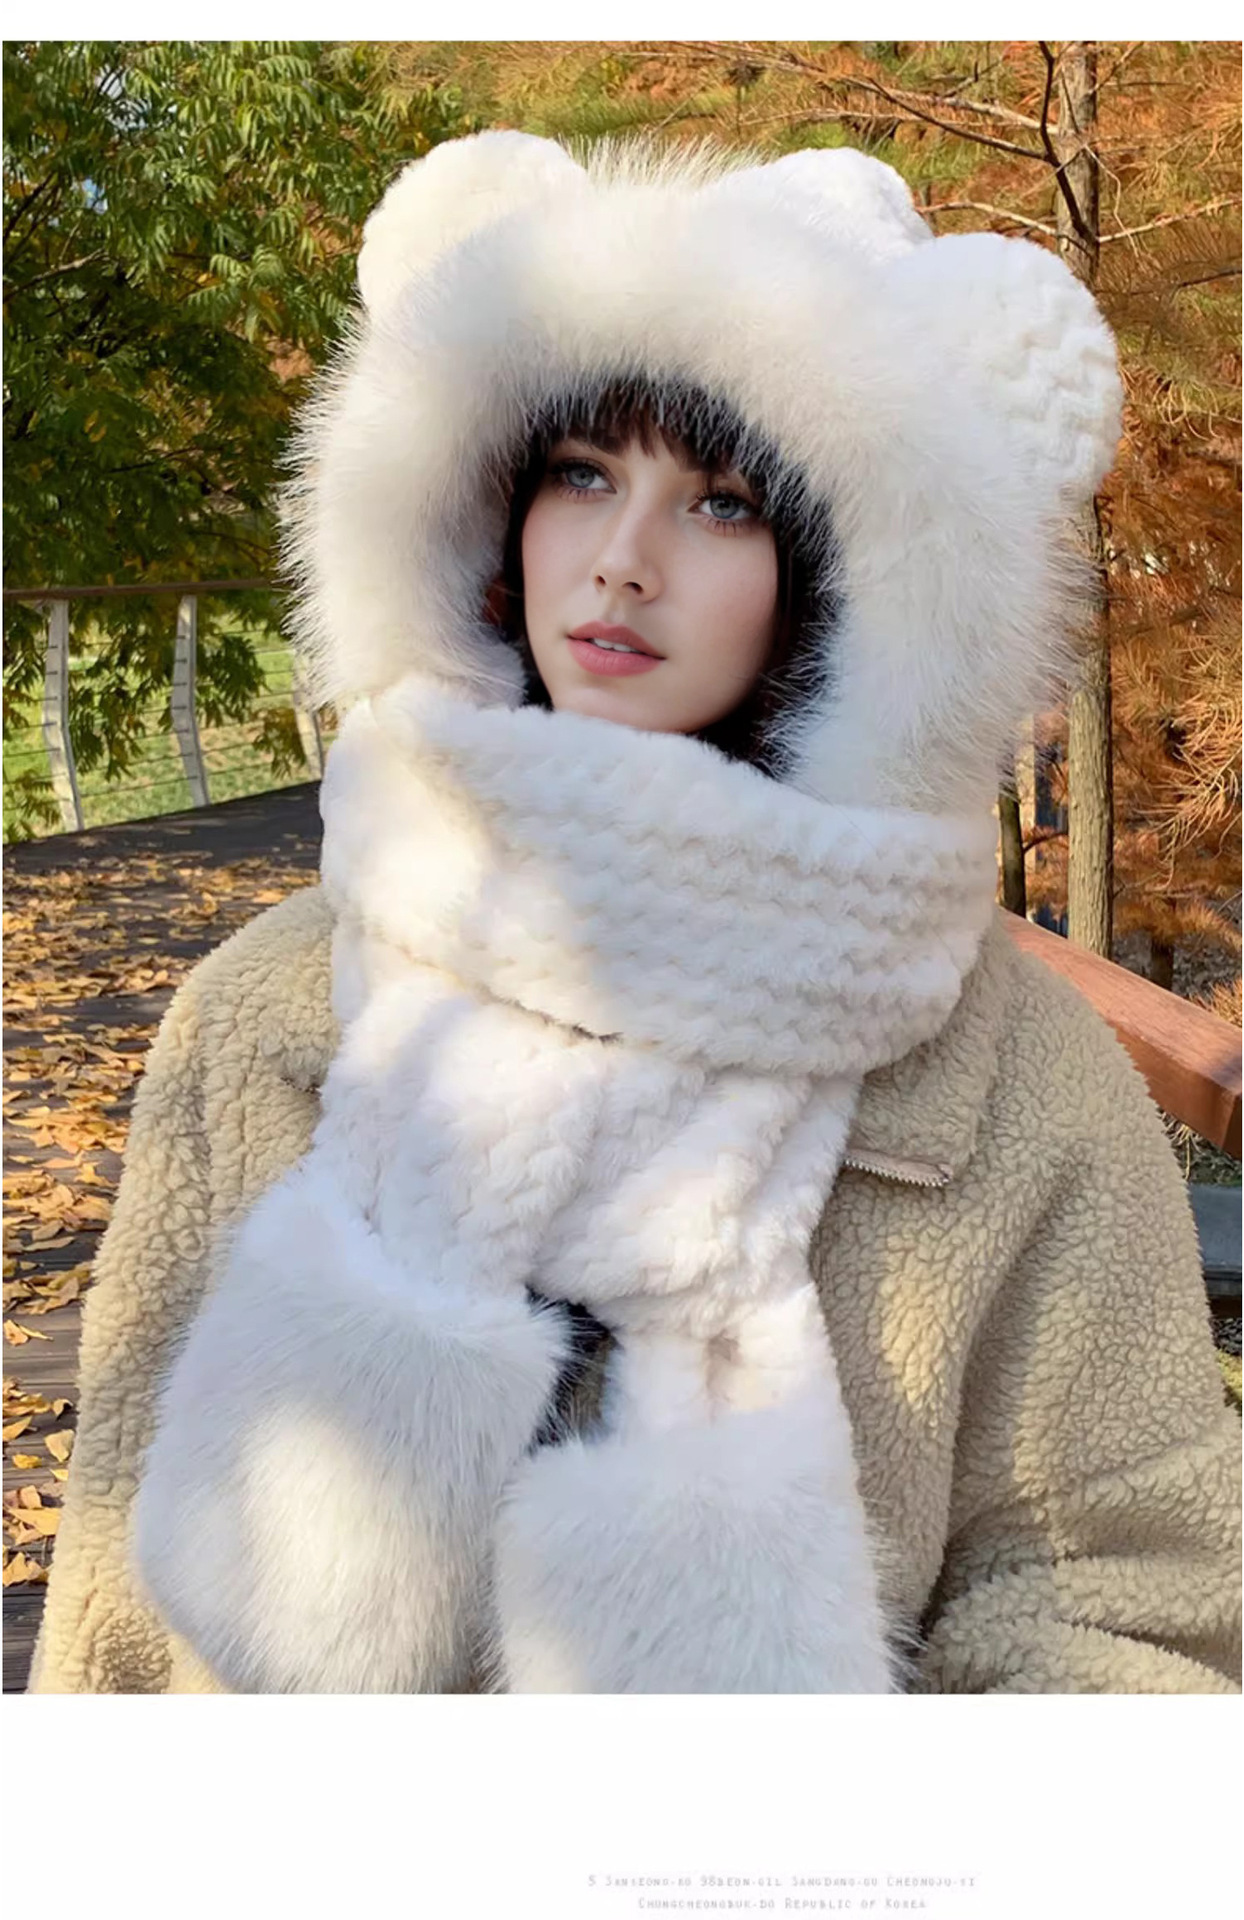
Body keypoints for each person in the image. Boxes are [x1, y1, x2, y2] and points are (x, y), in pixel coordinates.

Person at [31, 133, 1240, 1695]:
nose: (620, 562)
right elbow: (121, 1617)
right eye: (582, 474)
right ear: (489, 509)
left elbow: (1130, 1603)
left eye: (724, 505)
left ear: (845, 583)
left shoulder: (1016, 1080)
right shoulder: (266, 1008)